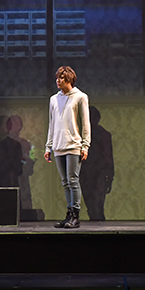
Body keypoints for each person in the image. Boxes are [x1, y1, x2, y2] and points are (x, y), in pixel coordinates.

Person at [44, 66, 91, 229]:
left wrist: (85, 145)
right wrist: (48, 147)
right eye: (57, 77)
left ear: (69, 79)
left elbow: (86, 124)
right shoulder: (53, 99)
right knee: (65, 182)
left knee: (72, 180)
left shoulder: (80, 97)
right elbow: (52, 124)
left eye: (62, 78)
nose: (58, 80)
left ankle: (75, 215)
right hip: (58, 145)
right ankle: (69, 214)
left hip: (73, 145)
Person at [79, 106, 114, 221]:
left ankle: (98, 225)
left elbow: (108, 157)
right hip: (87, 173)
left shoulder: (103, 135)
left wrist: (109, 176)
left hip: (99, 173)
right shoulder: (81, 136)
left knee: (96, 205)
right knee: (92, 206)